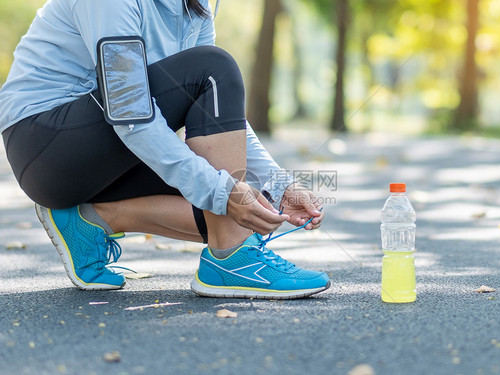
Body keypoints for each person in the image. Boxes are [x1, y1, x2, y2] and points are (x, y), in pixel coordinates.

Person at [0, 0, 330, 299]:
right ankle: (234, 256)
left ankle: (89, 219)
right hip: (47, 146)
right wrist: (220, 191)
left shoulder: (197, 6)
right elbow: (131, 114)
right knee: (223, 191)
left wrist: (279, 184)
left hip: (106, 147)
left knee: (238, 198)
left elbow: (216, 112)